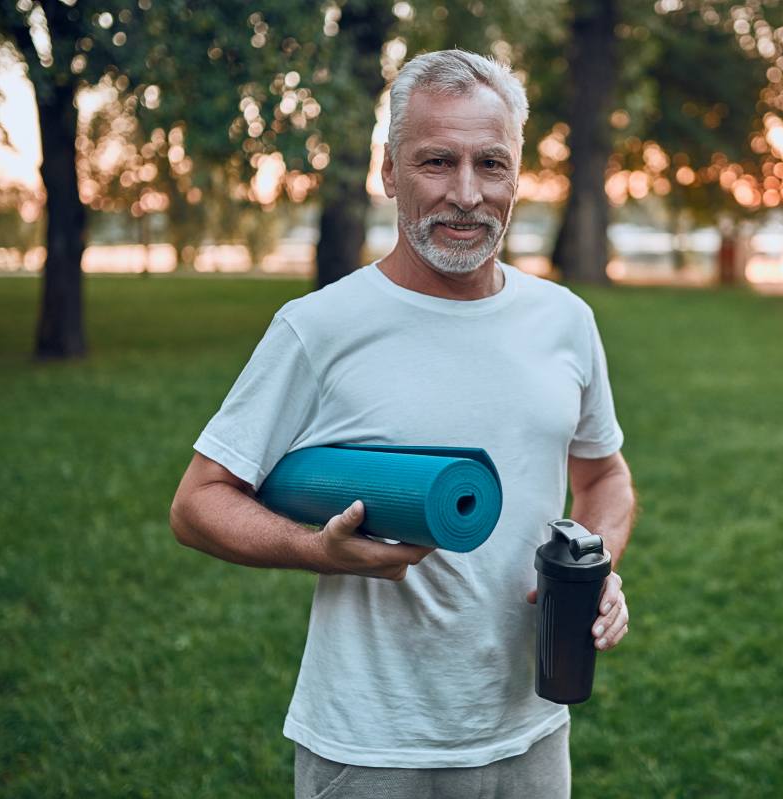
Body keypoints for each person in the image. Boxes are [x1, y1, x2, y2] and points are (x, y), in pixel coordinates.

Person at [169, 49, 635, 798]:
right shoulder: (318, 327)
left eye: (491, 163)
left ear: (517, 172)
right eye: (435, 162)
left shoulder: (565, 321)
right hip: (371, 742)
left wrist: (596, 562)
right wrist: (318, 550)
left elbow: (605, 474)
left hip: (532, 730)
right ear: (389, 172)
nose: (466, 194)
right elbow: (197, 503)